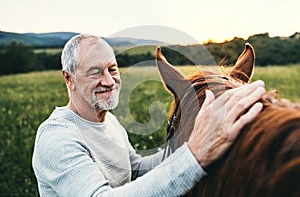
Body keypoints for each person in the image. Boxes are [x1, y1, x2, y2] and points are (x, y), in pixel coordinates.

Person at [32, 34, 265, 196]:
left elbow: (135, 170)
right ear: (68, 78)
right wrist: (193, 156)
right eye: (94, 72)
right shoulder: (57, 138)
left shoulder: (108, 122)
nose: (108, 80)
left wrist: (189, 140)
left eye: (112, 69)